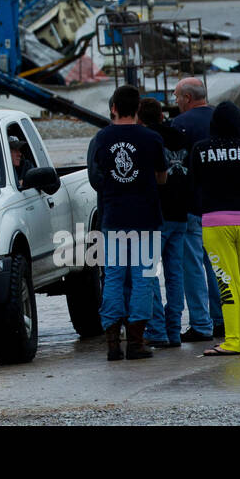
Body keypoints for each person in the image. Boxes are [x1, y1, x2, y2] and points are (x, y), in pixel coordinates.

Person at [87, 84, 167, 361]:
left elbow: (97, 177)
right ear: (138, 110)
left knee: (114, 277)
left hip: (114, 218)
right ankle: (135, 341)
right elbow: (162, 177)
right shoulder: (152, 138)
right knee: (143, 278)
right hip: (145, 218)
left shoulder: (101, 139)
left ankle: (112, 343)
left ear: (113, 108)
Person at [189, 101, 240, 356]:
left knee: (227, 281)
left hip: (216, 220)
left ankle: (235, 339)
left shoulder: (200, 149)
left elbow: (195, 181)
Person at [170, 76, 225, 341]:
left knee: (192, 267)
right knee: (217, 266)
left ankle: (201, 324)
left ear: (187, 98)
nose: (176, 103)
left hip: (192, 207)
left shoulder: (179, 126)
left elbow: (175, 169)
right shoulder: (221, 121)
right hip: (222, 206)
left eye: (177, 98)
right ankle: (222, 319)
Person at [136, 97, 191, 349]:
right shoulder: (181, 136)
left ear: (140, 118)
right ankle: (174, 330)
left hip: (156, 215)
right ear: (161, 115)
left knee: (149, 273)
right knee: (175, 275)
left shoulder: (146, 140)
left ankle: (157, 330)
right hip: (182, 213)